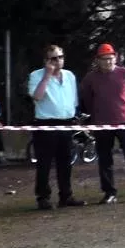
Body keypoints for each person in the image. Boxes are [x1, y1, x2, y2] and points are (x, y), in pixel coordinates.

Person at [80, 43, 125, 204]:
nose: (108, 62)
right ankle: (109, 192)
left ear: (116, 58)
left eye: (110, 58)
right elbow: (87, 99)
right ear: (97, 60)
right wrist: (94, 117)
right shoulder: (90, 78)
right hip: (102, 123)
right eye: (104, 59)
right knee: (105, 160)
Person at [28, 45, 82, 209]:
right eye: (53, 58)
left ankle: (66, 196)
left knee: (65, 161)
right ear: (46, 61)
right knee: (44, 162)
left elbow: (74, 99)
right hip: (45, 123)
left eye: (60, 57)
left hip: (66, 122)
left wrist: (74, 115)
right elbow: (37, 96)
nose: (58, 61)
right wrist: (47, 76)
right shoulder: (36, 75)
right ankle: (43, 197)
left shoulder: (70, 76)